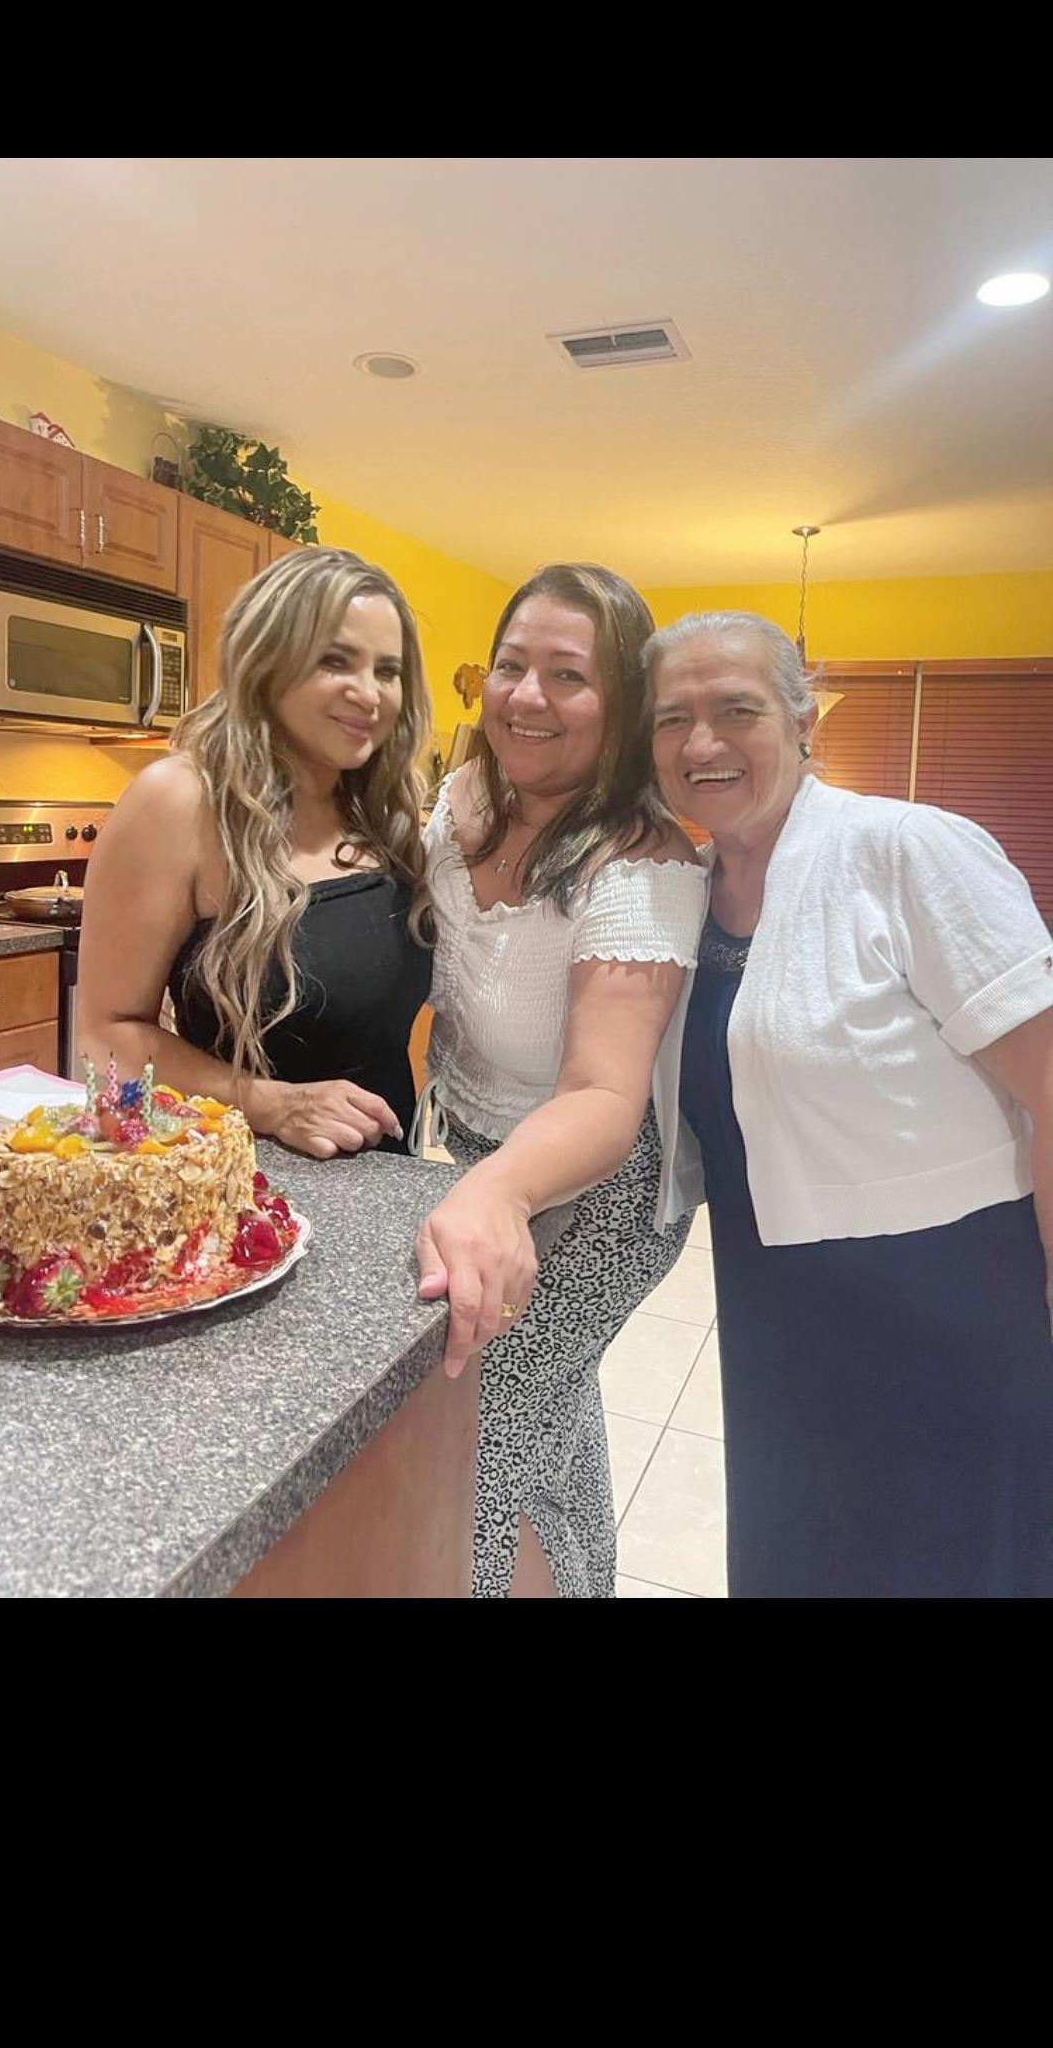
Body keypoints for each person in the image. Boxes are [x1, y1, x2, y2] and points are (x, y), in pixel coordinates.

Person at [646, 608, 1053, 1599]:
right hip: (778, 1311)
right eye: (671, 719)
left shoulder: (908, 853)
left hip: (951, 1314)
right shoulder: (683, 896)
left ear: (802, 725)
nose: (702, 742)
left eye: (736, 709)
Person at [412, 563, 708, 1598]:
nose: (527, 697)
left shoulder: (641, 862)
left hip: (612, 1193)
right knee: (551, 1431)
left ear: (621, 705)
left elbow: (601, 1097)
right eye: (511, 665)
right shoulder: (459, 803)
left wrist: (491, 1191)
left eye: (569, 676)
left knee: (471, 1459)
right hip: (489, 1151)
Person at [77, 546, 433, 1157]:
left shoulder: (385, 814)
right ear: (267, 659)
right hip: (241, 1187)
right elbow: (106, 1035)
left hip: (385, 1184)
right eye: (335, 660)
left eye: (387, 670)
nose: (369, 693)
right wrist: (272, 1103)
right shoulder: (181, 802)